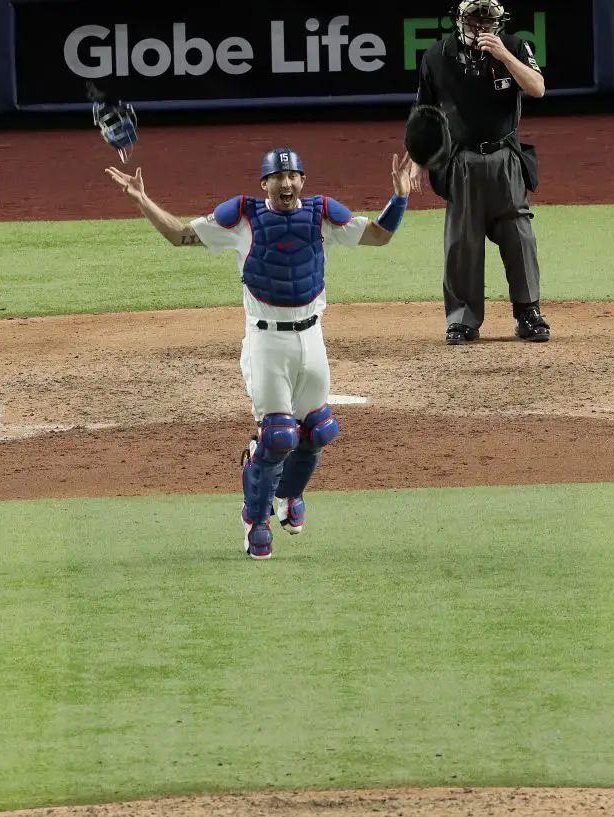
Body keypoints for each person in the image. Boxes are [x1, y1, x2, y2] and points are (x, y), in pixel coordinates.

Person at [106, 148, 412, 560]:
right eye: (278, 177)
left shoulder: (322, 214)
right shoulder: (243, 218)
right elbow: (180, 234)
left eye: (293, 176)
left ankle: (288, 496)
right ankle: (256, 520)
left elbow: (379, 234)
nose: (286, 184)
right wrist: (143, 201)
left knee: (318, 431)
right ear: (264, 182)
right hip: (267, 343)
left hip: (312, 337)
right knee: (279, 437)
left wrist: (400, 197)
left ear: (302, 180)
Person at [409, 0, 550, 346]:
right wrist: (418, 157)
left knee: (519, 235)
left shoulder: (515, 46)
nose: (481, 25)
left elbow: (537, 88)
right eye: (475, 18)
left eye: (488, 19)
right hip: (461, 160)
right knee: (462, 242)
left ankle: (528, 313)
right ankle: (462, 320)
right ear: (459, 19)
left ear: (499, 21)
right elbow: (425, 110)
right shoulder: (437, 56)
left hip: (505, 157)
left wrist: (504, 55)